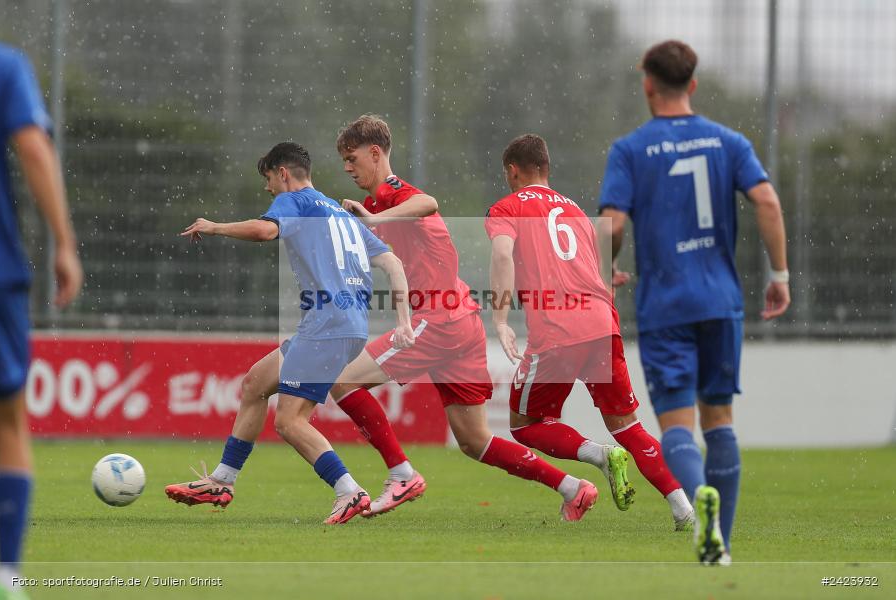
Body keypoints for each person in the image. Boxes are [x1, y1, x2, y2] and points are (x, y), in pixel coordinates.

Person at [333, 115, 599, 521]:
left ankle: (401, 474)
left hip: (439, 319)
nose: (348, 168)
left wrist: (376, 220)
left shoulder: (391, 192)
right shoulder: (373, 205)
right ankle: (572, 487)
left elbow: (429, 203)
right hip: (459, 319)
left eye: (352, 158)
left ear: (375, 152)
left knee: (343, 380)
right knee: (475, 441)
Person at [598, 40, 790, 564]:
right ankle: (719, 544)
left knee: (678, 427)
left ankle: (698, 509)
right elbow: (768, 201)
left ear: (648, 86)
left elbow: (613, 223)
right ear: (694, 85)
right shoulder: (727, 141)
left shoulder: (631, 150)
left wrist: (607, 264)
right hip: (720, 302)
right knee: (720, 419)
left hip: (666, 307)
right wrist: (780, 274)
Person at [165, 142, 415, 525]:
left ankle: (348, 491)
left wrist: (215, 227)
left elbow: (266, 231)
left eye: (268, 179)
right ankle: (222, 480)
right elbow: (393, 263)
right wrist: (403, 321)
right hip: (345, 326)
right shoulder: (342, 213)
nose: (268, 190)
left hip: (327, 325)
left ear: (283, 173)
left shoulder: (296, 200)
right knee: (254, 384)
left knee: (289, 421)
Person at [486, 134, 693, 530]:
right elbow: (597, 268)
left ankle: (598, 455)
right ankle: (683, 507)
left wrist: (499, 320)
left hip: (557, 329)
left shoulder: (506, 207)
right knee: (629, 425)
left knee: (526, 424)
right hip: (601, 322)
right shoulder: (577, 212)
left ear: (512, 172)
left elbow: (500, 254)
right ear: (546, 168)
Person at [0, 43, 83, 597]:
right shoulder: (4, 66)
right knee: (5, 421)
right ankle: (4, 575)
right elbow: (32, 143)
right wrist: (65, 243)